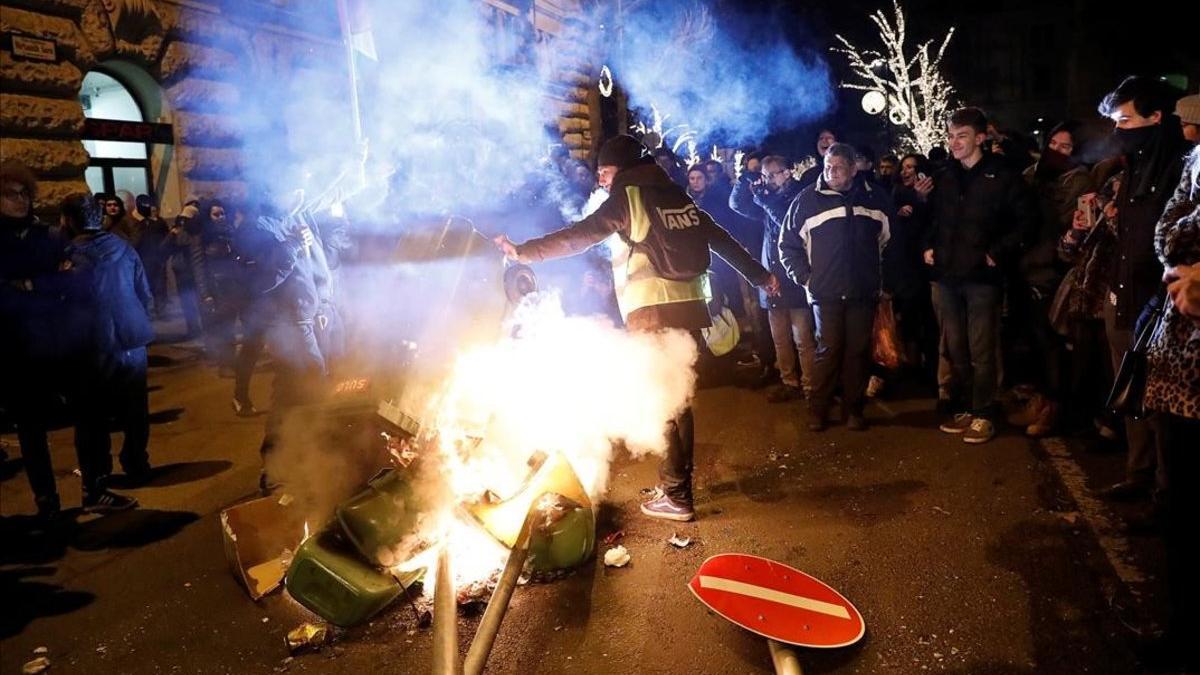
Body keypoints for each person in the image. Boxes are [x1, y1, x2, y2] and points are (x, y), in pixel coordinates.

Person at [494, 134, 778, 522]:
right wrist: (762, 276)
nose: (601, 181)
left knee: (665, 401)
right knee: (678, 399)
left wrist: (524, 251)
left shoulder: (628, 197)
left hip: (652, 312)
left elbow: (582, 235)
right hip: (691, 308)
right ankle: (675, 486)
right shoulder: (677, 196)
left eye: (605, 172)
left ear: (620, 168)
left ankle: (677, 496)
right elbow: (720, 240)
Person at [1090, 76, 1187, 502]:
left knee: (1161, 404)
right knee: (1130, 391)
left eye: (1125, 120)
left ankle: (1166, 492)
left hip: (1161, 305)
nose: (1118, 131)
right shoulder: (1133, 167)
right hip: (1124, 296)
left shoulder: (1182, 169)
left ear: (1156, 117)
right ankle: (1138, 473)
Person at [920, 107, 1036, 444]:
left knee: (982, 347)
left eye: (962, 135)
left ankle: (986, 412)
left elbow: (1026, 221)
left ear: (981, 138)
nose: (954, 142)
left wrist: (996, 253)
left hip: (982, 278)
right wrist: (928, 245)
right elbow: (933, 219)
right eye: (951, 135)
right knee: (956, 347)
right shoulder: (944, 176)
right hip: (946, 275)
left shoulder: (1003, 176)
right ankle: (968, 407)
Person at [780, 143, 894, 431]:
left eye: (838, 167)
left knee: (857, 351)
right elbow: (788, 246)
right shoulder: (806, 201)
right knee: (828, 350)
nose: (831, 172)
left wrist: (882, 281)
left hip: (862, 290)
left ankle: (854, 410)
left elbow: (888, 242)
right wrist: (806, 278)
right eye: (827, 166)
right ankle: (817, 410)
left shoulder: (873, 199)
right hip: (824, 292)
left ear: (854, 169)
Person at [1139, 144, 1200, 671]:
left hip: (1194, 375)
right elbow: (1167, 235)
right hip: (1183, 371)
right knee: (1180, 508)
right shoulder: (1192, 162)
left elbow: (1172, 233)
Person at [60, 193, 151, 511]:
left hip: (92, 346)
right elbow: (145, 292)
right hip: (131, 338)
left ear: (68, 220)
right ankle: (137, 462)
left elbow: (60, 305)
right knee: (135, 408)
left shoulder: (68, 254)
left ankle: (97, 480)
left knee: (91, 416)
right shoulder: (123, 248)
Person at [0, 160, 70, 518]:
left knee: (33, 428)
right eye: (11, 195)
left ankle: (47, 497)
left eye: (25, 193)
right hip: (7, 345)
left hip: (43, 343)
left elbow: (69, 280)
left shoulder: (47, 236)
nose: (21, 201)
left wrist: (31, 286)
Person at [1016, 122, 1093, 436]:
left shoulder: (1077, 179)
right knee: (1035, 339)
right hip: (1026, 265)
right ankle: (1040, 400)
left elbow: (1066, 223)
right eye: (1055, 144)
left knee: (1051, 342)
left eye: (1067, 147)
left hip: (1053, 269)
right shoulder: (1032, 174)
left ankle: (1054, 407)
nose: (1058, 151)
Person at [731, 154, 814, 402]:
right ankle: (789, 381)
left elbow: (790, 226)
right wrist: (746, 176)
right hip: (772, 277)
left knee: (803, 338)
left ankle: (811, 386)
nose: (766, 180)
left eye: (770, 174)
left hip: (796, 278)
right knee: (780, 338)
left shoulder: (800, 194)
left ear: (787, 172)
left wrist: (764, 201)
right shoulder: (767, 197)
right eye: (763, 175)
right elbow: (737, 205)